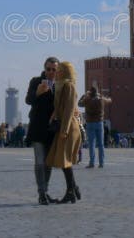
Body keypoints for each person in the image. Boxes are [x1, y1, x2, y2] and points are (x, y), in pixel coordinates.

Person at [45, 61, 82, 204]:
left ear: (66, 71)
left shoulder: (69, 85)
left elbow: (69, 109)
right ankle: (73, 189)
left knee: (64, 161)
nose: (57, 72)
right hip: (63, 126)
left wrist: (65, 130)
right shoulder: (60, 85)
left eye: (60, 70)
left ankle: (71, 191)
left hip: (68, 127)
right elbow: (60, 106)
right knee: (63, 161)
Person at [25, 57, 59, 205]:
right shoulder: (36, 81)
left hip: (51, 129)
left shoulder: (60, 85)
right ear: (44, 69)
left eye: (54, 69)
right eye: (48, 69)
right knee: (39, 161)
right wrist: (38, 92)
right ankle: (41, 193)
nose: (51, 72)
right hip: (37, 127)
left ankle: (45, 191)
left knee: (48, 163)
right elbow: (28, 100)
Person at [77, 86, 112, 168]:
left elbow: (79, 103)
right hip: (99, 123)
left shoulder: (87, 100)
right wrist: (102, 96)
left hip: (90, 123)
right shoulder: (101, 99)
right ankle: (101, 163)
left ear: (90, 93)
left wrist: (84, 95)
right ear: (96, 92)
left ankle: (92, 163)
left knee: (91, 144)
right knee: (101, 144)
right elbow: (109, 100)